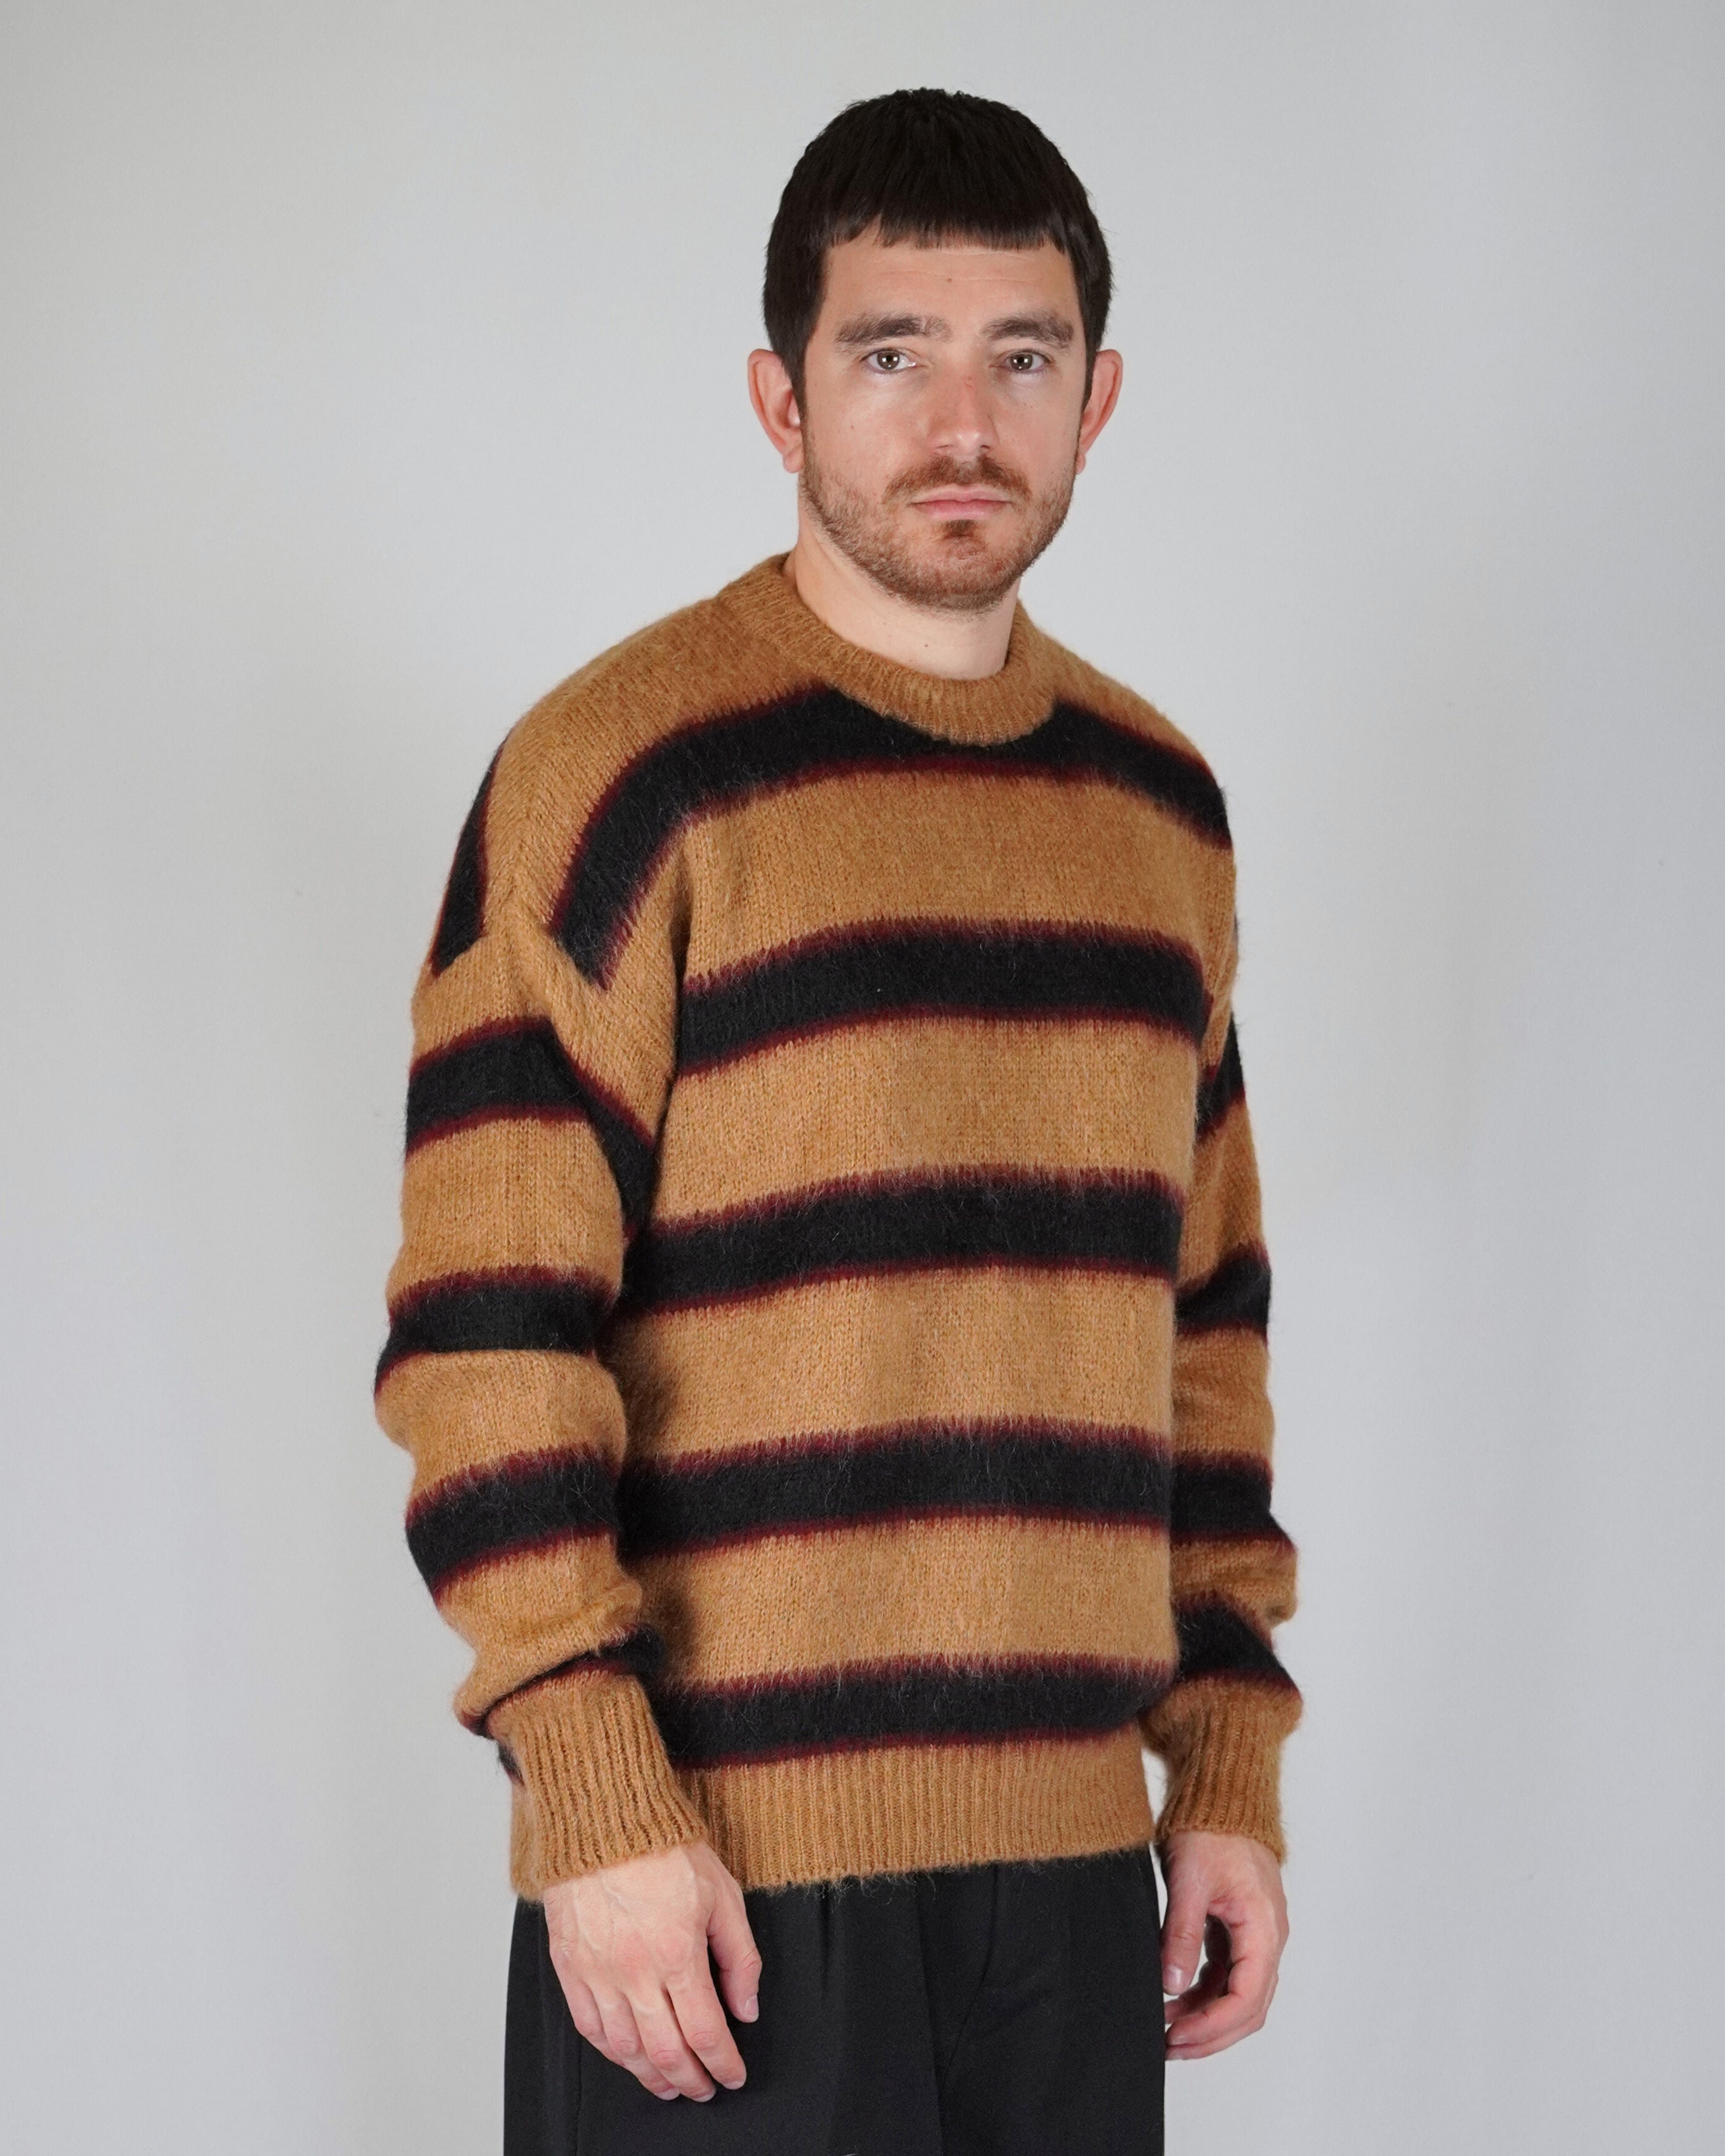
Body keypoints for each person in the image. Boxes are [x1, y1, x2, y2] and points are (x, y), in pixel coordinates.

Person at [375, 86, 1302, 2154]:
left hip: (1075, 1895)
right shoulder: (623, 775)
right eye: (892, 354)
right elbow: (484, 1334)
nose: (962, 424)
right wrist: (592, 1792)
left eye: (1021, 357)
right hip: (715, 1889)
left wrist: (1225, 1764)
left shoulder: (1157, 811)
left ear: (1098, 395)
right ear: (780, 398)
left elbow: (1202, 1332)